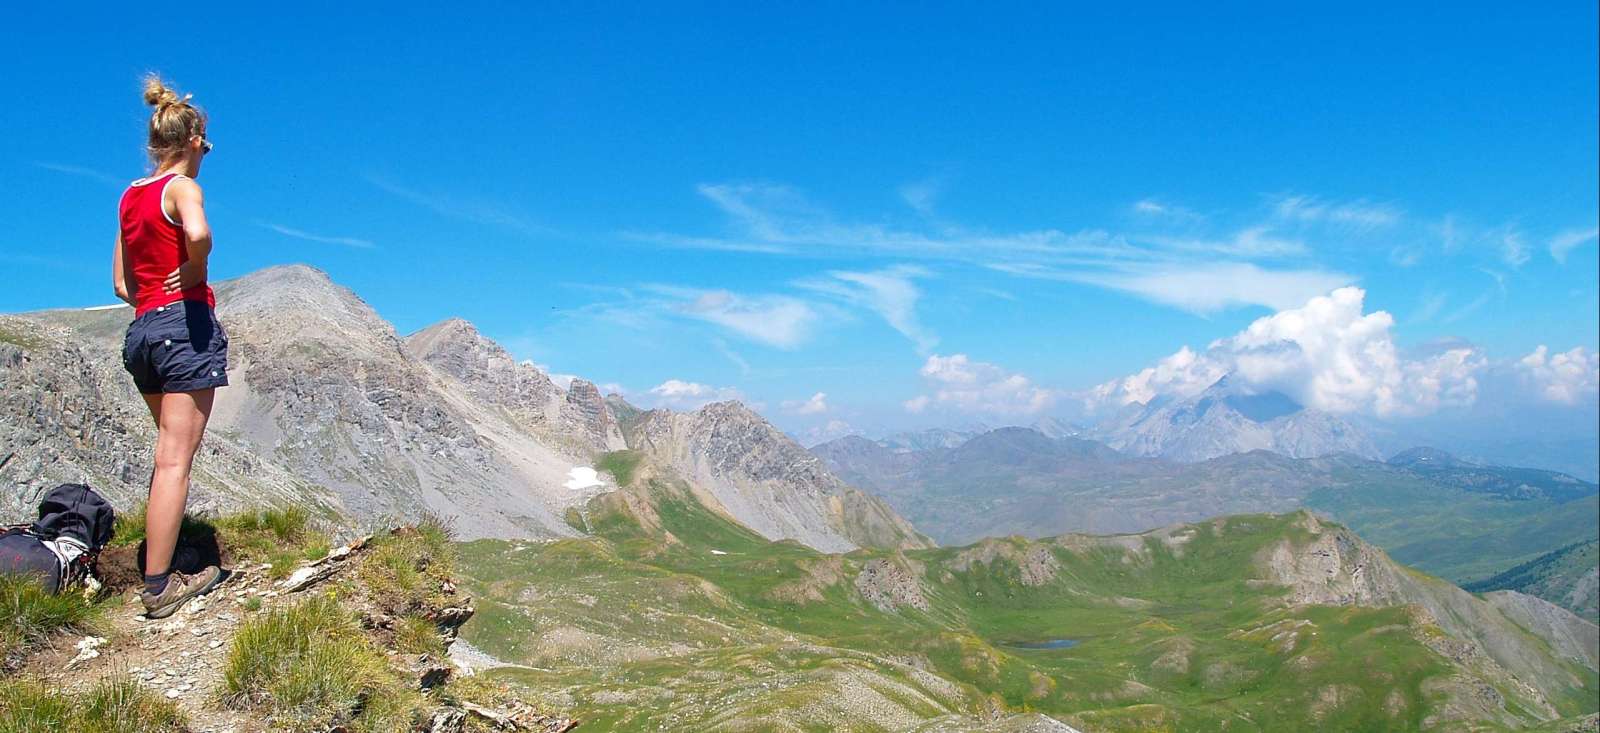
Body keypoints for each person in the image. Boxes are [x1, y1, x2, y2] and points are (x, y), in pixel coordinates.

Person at [112, 74, 228, 619]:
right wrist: (193, 268)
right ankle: (158, 588)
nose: (206, 153)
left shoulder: (129, 197)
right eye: (205, 143)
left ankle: (163, 554)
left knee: (167, 454)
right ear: (190, 141)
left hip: (142, 332)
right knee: (175, 460)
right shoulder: (182, 188)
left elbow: (120, 284)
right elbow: (200, 234)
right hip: (184, 326)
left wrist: (155, 290)